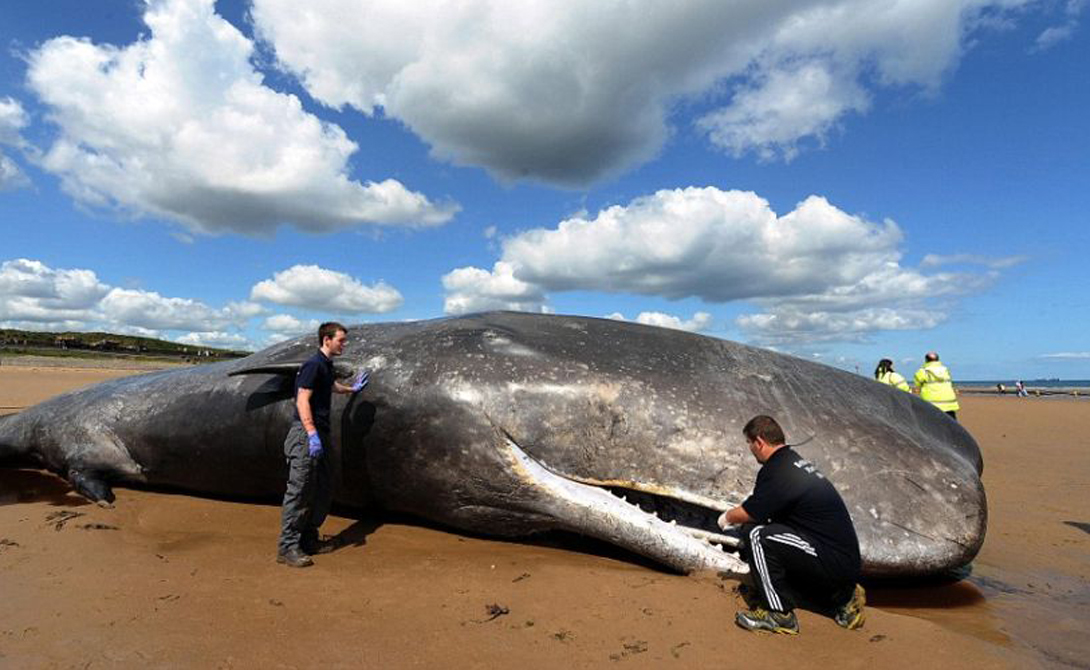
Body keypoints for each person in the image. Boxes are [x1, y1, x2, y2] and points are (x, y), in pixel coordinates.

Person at [717, 415, 865, 635]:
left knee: (758, 536)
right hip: (842, 562)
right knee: (764, 530)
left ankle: (779, 615)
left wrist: (725, 518)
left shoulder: (777, 470)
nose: (750, 449)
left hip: (831, 561)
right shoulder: (793, 462)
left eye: (749, 443)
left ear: (759, 441)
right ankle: (843, 596)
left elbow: (750, 512)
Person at [277, 322, 369, 568]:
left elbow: (329, 386)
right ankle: (287, 547)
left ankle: (309, 538)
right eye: (341, 340)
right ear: (326, 340)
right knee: (300, 490)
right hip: (307, 433)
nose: (344, 344)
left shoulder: (326, 367)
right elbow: (302, 399)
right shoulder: (312, 365)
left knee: (324, 487)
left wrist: (351, 389)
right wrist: (310, 433)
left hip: (322, 434)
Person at [913, 352, 960, 420]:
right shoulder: (945, 370)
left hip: (931, 403)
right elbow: (950, 383)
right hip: (949, 402)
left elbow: (918, 386)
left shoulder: (922, 372)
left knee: (931, 425)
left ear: (926, 360)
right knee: (952, 425)